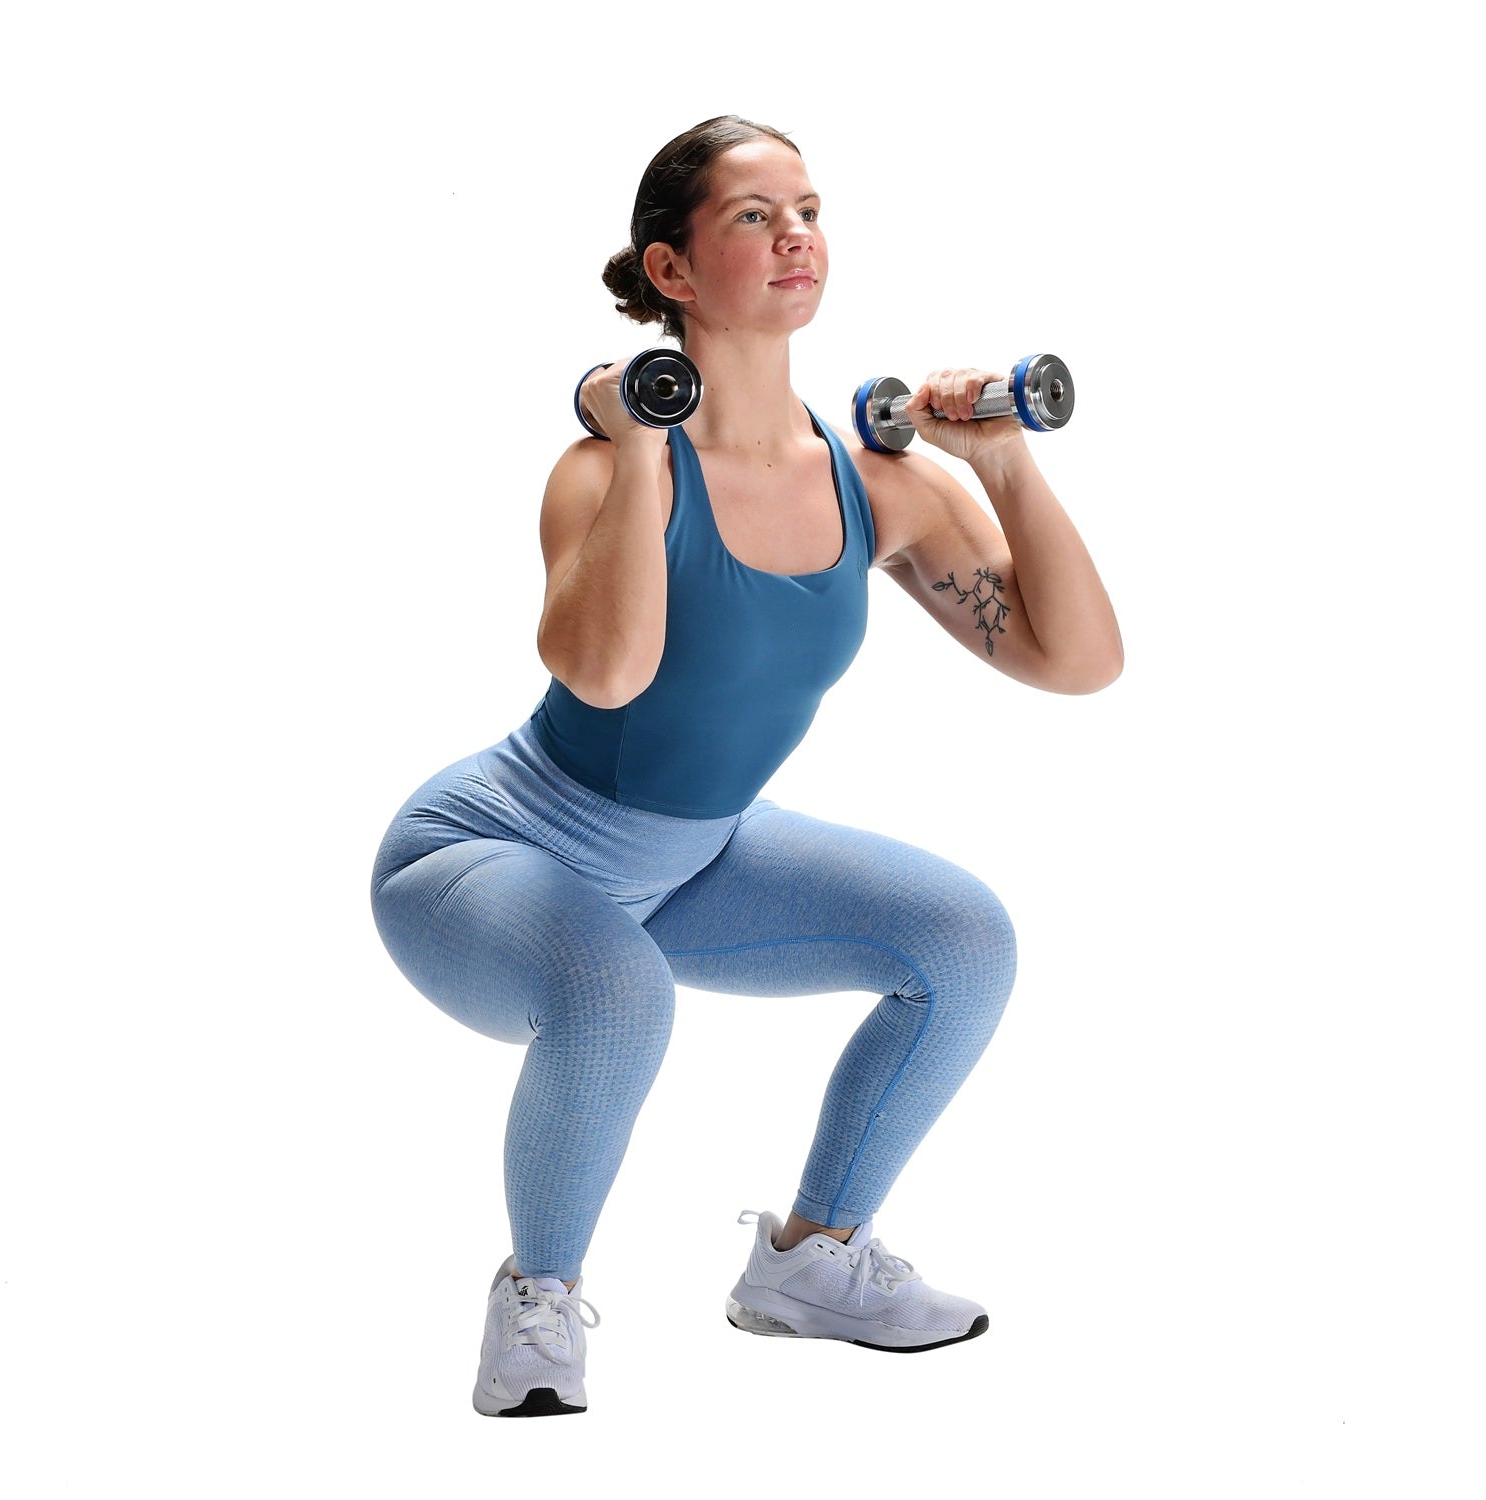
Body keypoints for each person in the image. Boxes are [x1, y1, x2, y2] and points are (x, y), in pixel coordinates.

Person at [370, 115, 1122, 1418]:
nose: (797, 238)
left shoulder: (881, 482)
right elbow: (606, 676)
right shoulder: (602, 470)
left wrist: (1001, 463)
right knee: (617, 994)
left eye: (810, 211)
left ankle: (814, 1264)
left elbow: (1078, 661)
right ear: (670, 269)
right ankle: (536, 1305)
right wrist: (642, 442)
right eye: (754, 217)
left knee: (961, 939)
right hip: (489, 856)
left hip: (696, 857)